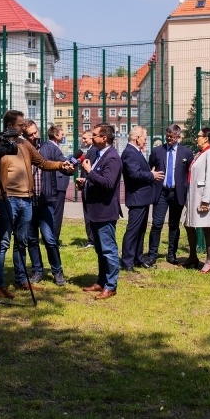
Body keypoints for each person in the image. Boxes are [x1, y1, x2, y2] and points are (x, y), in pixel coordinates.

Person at [0, 110, 73, 299]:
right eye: (20, 124)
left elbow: (42, 162)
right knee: (3, 242)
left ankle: (21, 280)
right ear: (11, 124)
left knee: (22, 242)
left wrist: (61, 165)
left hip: (26, 200)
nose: (23, 127)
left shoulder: (24, 144)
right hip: (7, 199)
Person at [20, 121, 68, 286]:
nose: (35, 136)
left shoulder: (49, 148)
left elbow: (63, 163)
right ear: (24, 135)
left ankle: (57, 271)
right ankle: (37, 271)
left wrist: (67, 167)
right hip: (27, 202)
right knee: (31, 240)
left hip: (45, 201)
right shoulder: (22, 147)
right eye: (30, 135)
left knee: (49, 238)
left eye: (35, 133)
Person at [79, 124, 122, 300]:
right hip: (95, 210)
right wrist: (85, 181)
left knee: (108, 250)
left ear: (104, 138)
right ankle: (102, 281)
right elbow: (97, 179)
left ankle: (111, 286)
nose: (92, 137)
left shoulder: (112, 158)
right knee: (100, 249)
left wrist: (89, 172)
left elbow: (108, 183)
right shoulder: (97, 154)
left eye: (95, 135)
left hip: (105, 211)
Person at [147, 124, 193, 265]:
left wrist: (186, 188)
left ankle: (172, 254)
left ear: (178, 137)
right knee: (157, 223)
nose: (169, 139)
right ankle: (152, 254)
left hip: (177, 193)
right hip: (161, 192)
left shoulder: (186, 152)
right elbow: (150, 169)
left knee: (174, 225)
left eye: (172, 137)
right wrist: (152, 176)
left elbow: (189, 172)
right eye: (167, 136)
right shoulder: (157, 151)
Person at [121, 126, 164, 271]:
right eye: (145, 139)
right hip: (137, 198)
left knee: (140, 230)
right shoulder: (129, 153)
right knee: (133, 230)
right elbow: (134, 174)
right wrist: (152, 175)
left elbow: (139, 171)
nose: (146, 142)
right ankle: (127, 262)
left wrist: (149, 173)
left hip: (143, 198)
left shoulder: (135, 152)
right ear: (137, 137)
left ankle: (138, 258)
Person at [183, 128, 210, 273]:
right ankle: (193, 257)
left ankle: (209, 261)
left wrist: (205, 201)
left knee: (207, 228)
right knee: (189, 225)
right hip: (195, 196)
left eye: (198, 136)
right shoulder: (201, 153)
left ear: (206, 138)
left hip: (204, 198)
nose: (196, 139)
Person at [46, 125, 70, 242]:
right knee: (57, 213)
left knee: (53, 212)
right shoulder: (53, 148)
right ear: (55, 135)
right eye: (61, 134)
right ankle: (54, 238)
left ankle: (52, 237)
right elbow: (63, 163)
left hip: (56, 184)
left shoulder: (51, 147)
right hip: (58, 184)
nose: (63, 136)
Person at [77, 129, 97, 248]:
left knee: (89, 213)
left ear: (91, 138)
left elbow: (89, 170)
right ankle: (92, 238)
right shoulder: (90, 151)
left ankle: (92, 240)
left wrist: (84, 181)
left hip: (89, 186)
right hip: (85, 184)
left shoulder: (93, 151)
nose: (83, 140)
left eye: (85, 138)